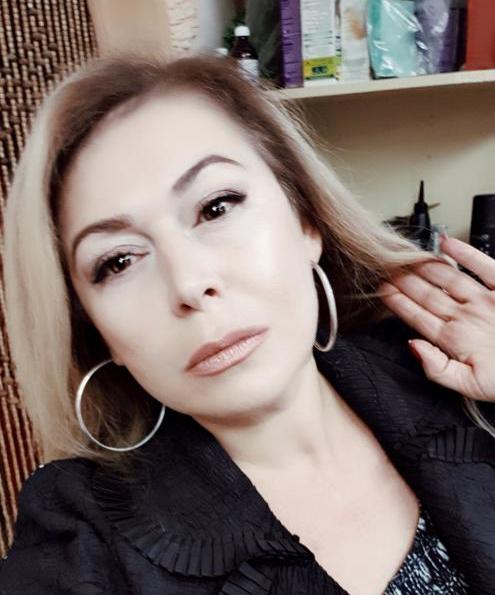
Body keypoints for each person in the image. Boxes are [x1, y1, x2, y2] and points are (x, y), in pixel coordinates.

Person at [0, 52, 494, 595]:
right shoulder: (76, 538)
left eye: (216, 207)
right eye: (118, 262)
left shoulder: (454, 371)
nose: (189, 284)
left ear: (306, 220)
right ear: (95, 329)